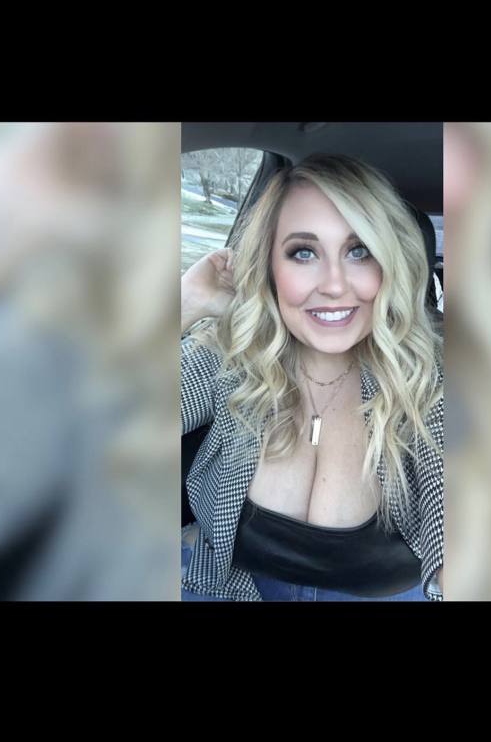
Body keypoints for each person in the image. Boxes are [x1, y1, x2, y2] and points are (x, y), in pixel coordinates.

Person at [180, 153, 444, 602]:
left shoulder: (428, 372)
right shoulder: (231, 354)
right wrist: (186, 304)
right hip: (229, 585)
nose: (334, 284)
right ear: (268, 267)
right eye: (303, 252)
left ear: (389, 263)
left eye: (359, 251)